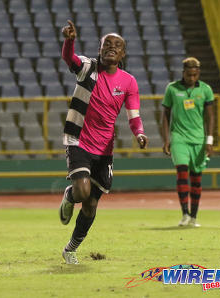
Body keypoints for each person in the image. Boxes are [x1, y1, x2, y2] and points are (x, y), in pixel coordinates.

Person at [58, 20, 148, 264]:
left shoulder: (129, 82)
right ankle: (70, 194)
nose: (111, 48)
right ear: (99, 49)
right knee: (82, 191)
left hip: (105, 149)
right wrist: (69, 40)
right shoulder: (88, 68)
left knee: (91, 205)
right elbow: (70, 59)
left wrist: (139, 133)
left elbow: (134, 115)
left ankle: (71, 249)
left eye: (117, 45)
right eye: (106, 44)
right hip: (78, 139)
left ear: (123, 53)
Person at [162, 57, 214, 228]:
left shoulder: (206, 90)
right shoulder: (172, 88)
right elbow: (165, 114)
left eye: (195, 75)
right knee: (182, 173)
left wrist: (210, 139)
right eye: (189, 74)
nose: (192, 78)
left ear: (198, 73)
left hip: (198, 139)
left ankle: (194, 216)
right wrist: (167, 139)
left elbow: (210, 116)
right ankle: (184, 214)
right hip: (179, 138)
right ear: (183, 72)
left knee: (196, 178)